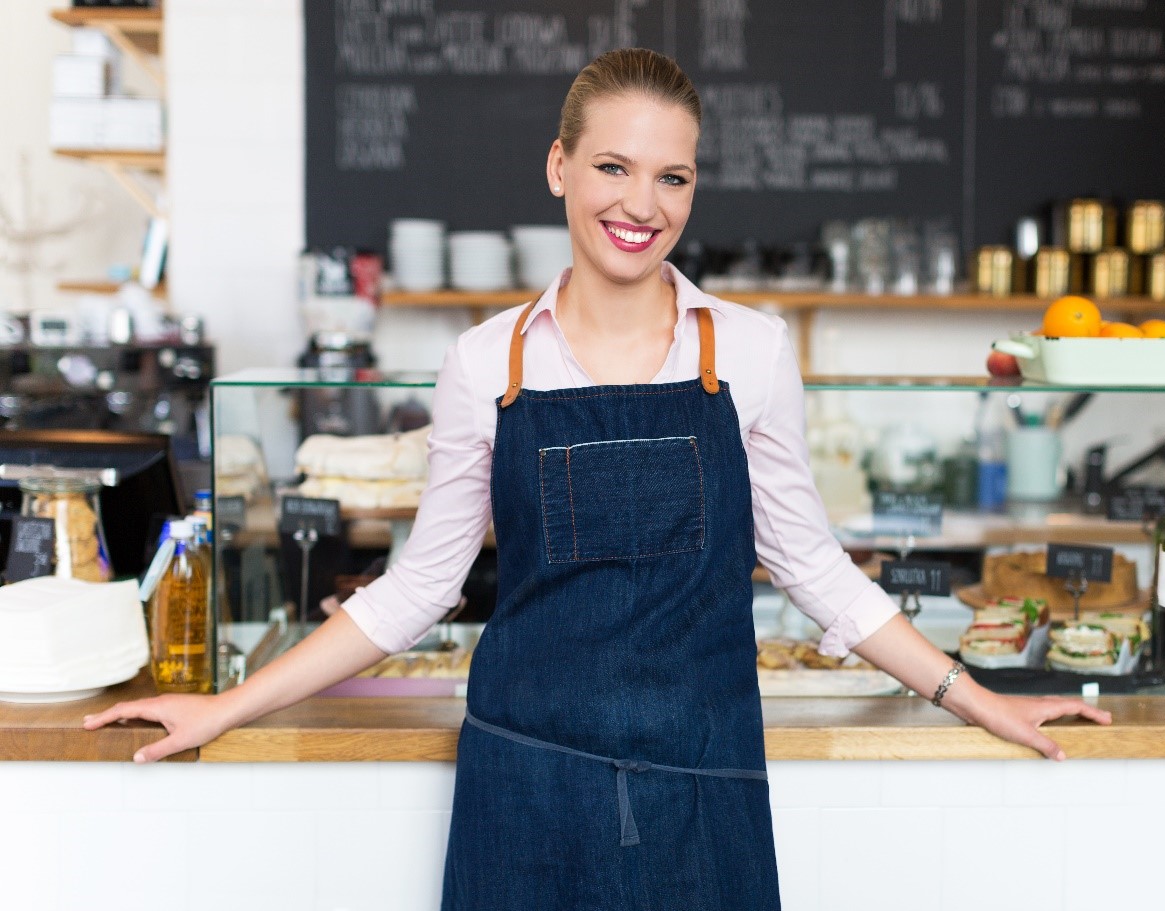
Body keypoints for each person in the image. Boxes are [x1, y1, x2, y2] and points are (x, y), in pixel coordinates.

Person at [86, 48, 1110, 910]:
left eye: (674, 176)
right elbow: (416, 589)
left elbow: (815, 568)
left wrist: (987, 701)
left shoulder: (749, 352)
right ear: (559, 167)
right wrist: (221, 707)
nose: (641, 203)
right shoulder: (489, 360)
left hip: (705, 779)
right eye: (614, 167)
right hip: (522, 776)